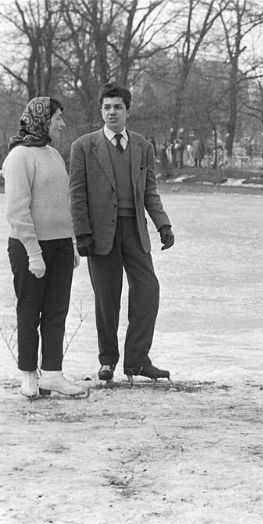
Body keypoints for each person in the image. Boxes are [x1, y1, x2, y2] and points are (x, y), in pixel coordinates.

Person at [69, 82, 174, 384]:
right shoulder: (83, 147)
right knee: (107, 298)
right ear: (100, 111)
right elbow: (76, 194)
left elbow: (150, 191)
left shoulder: (142, 146)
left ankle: (138, 360)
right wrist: (82, 233)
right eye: (107, 107)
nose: (112, 112)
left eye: (118, 107)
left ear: (128, 111)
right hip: (100, 234)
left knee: (148, 290)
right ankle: (107, 361)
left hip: (134, 230)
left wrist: (163, 224)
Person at [3, 97, 88, 398]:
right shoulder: (18, 158)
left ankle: (52, 373)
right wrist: (33, 252)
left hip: (61, 246)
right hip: (30, 248)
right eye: (58, 118)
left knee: (56, 312)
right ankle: (28, 374)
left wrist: (72, 244)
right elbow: (17, 210)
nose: (62, 123)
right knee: (30, 311)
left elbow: (61, 203)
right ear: (42, 118)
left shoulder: (52, 154)